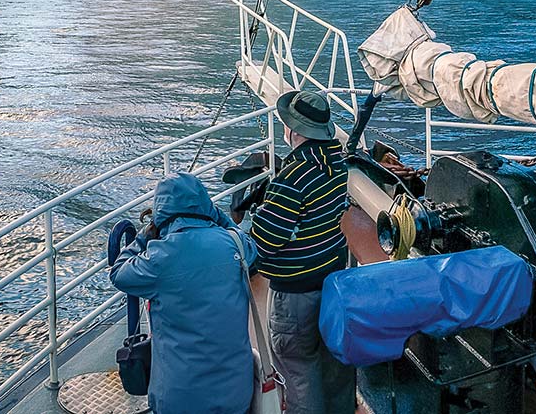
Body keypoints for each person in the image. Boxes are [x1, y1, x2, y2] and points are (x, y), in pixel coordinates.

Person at [110, 173, 258, 414]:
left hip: (180, 397)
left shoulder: (158, 259)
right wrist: (216, 215)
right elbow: (244, 242)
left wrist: (144, 237)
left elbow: (119, 272)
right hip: (235, 391)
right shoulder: (235, 245)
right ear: (204, 205)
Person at [249, 89, 354, 414]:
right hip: (334, 283)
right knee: (335, 366)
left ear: (293, 131)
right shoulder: (337, 161)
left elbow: (264, 241)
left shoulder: (291, 178)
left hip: (296, 295)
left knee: (299, 373)